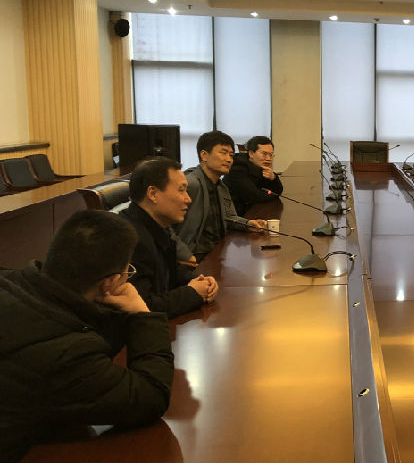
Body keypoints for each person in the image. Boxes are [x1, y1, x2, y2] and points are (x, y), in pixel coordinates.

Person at [0, 210, 173, 462]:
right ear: (109, 284)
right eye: (128, 273)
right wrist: (142, 315)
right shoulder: (68, 355)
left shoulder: (12, 283)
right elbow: (152, 395)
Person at [120, 158, 219, 318]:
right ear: (153, 194)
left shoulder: (157, 225)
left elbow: (170, 268)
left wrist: (200, 281)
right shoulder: (130, 239)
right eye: (181, 190)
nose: (188, 199)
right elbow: (144, 307)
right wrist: (193, 293)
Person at [176, 131, 267, 262]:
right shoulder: (189, 184)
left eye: (231, 155)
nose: (229, 159)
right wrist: (184, 255)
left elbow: (229, 217)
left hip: (218, 252)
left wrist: (247, 224)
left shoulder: (221, 186)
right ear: (204, 155)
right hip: (194, 258)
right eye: (223, 153)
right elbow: (166, 227)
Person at [223, 135, 283, 216]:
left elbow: (278, 190)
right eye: (264, 154)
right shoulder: (237, 169)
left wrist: (273, 178)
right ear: (251, 153)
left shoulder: (259, 167)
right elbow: (255, 196)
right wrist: (273, 194)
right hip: (235, 217)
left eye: (271, 155)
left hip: (250, 211)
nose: (268, 158)